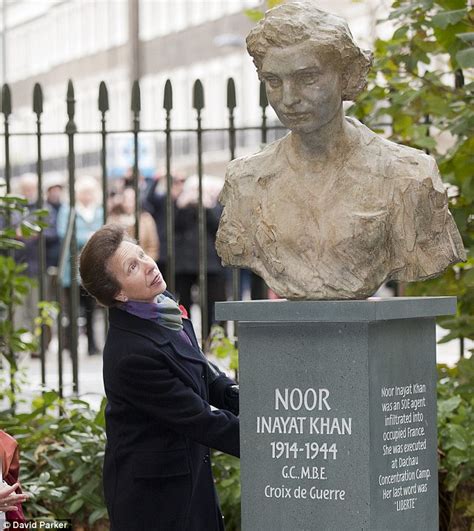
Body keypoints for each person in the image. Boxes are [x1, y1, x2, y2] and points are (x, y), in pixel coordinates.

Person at [216, 3, 466, 300]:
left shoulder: (409, 176)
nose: (289, 98)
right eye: (274, 81)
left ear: (347, 76)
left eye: (307, 78)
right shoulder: (244, 181)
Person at [79, 224, 239, 531]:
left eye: (141, 254)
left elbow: (201, 371)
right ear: (119, 293)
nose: (148, 265)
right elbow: (198, 418)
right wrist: (269, 440)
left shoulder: (161, 306)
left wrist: (240, 395)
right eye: (132, 267)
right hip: (155, 497)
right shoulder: (131, 355)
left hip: (186, 473)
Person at [57, 176, 103, 355]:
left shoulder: (98, 210)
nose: (87, 196)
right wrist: (89, 237)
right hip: (72, 267)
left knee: (92, 308)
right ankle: (70, 345)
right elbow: (64, 233)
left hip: (92, 266)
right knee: (73, 310)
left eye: (90, 192)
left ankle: (93, 344)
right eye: (84, 192)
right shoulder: (68, 210)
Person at [107, 186, 159, 261]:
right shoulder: (113, 218)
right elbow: (108, 244)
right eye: (125, 199)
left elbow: (153, 247)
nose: (128, 203)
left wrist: (144, 262)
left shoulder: (146, 219)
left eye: (131, 199)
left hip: (143, 263)